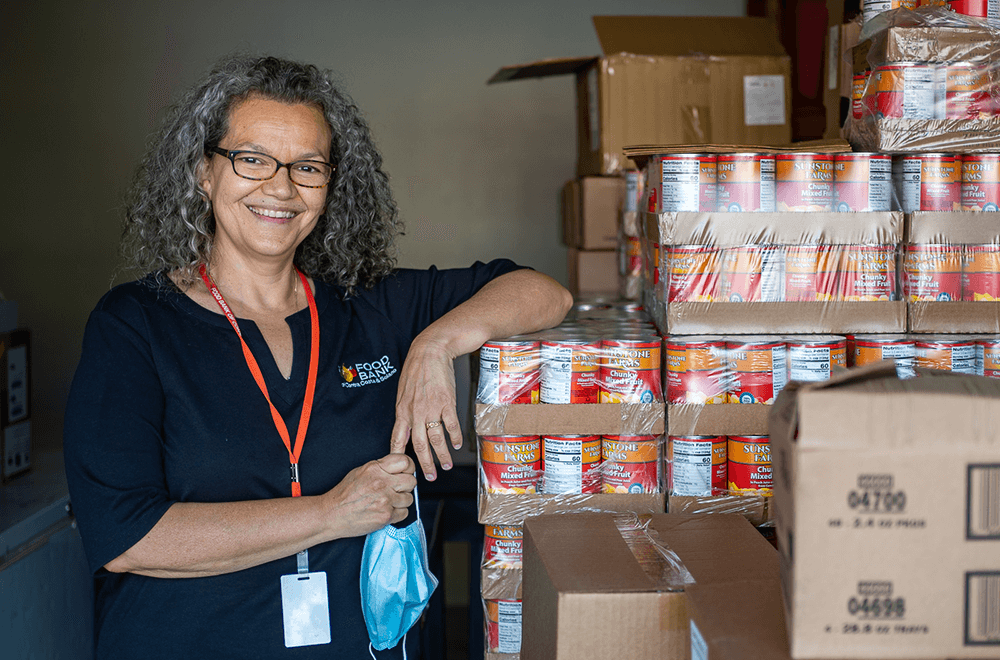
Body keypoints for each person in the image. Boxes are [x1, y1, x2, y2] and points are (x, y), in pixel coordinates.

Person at [63, 54, 571, 659]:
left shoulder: (374, 306)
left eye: (307, 167)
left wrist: (439, 342)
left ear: (331, 186)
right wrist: (331, 514)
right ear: (204, 173)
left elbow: (544, 291)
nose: (280, 188)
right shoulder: (135, 324)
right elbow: (128, 536)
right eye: (251, 159)